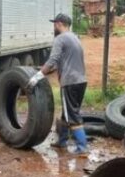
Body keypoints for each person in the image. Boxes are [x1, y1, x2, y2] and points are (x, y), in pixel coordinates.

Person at [27, 13, 88, 155]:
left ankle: (82, 147)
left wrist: (37, 77)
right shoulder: (74, 38)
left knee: (72, 115)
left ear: (59, 24)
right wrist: (44, 70)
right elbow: (60, 63)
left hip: (70, 82)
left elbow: (53, 60)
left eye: (55, 24)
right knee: (66, 113)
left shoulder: (60, 39)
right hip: (81, 81)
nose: (54, 27)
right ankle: (62, 141)